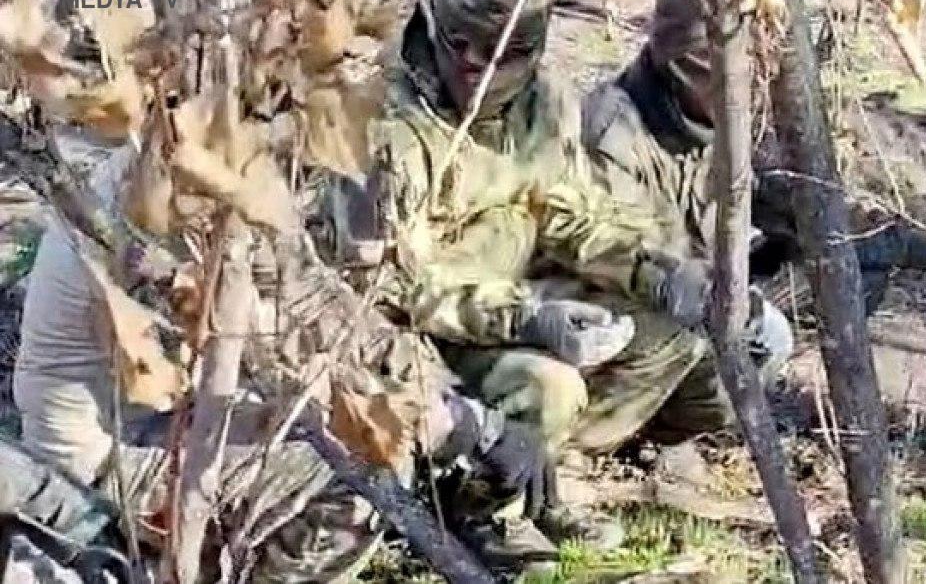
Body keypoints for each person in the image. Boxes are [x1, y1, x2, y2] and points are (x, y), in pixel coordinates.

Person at [327, 0, 793, 566]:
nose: (481, 70)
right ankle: (479, 506)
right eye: (464, 47)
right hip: (409, 341)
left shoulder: (544, 103)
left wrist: (656, 272)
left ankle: (547, 469)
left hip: (506, 302)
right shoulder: (382, 128)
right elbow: (383, 290)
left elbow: (573, 215)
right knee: (550, 386)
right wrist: (527, 319)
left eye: (510, 54)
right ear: (433, 26)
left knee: (672, 330)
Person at [14, 142, 551, 581]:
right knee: (363, 464)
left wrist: (459, 406)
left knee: (369, 422)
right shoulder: (168, 197)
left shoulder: (220, 162)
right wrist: (450, 423)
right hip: (106, 457)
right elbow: (275, 350)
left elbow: (320, 304)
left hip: (168, 410)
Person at [581, 0, 926, 316]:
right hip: (649, 304)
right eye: (740, 69)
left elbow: (770, 195)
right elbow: (636, 270)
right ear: (685, 69)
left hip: (713, 275)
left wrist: (888, 241)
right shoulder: (612, 137)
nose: (755, 82)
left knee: (855, 265)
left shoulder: (716, 119)